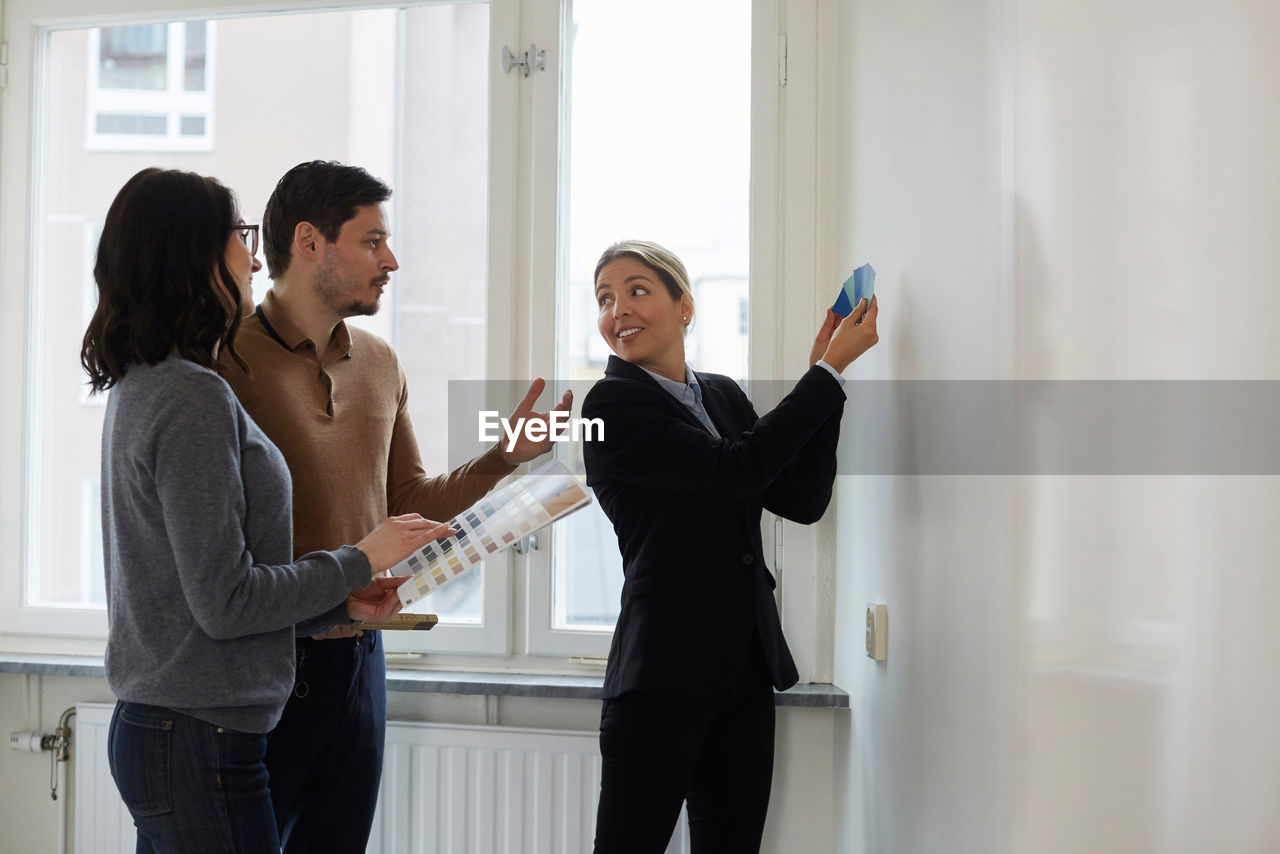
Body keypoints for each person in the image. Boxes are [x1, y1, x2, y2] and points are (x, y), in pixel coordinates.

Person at [82, 167, 451, 853]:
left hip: (187, 729)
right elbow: (225, 601)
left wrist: (342, 604)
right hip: (198, 736)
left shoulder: (155, 383)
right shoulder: (193, 395)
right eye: (239, 238)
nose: (255, 257)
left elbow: (212, 592)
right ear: (191, 252)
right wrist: (359, 559)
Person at [218, 160, 570, 853]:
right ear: (310, 241)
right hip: (265, 666)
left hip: (361, 664)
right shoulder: (224, 360)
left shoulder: (380, 361)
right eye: (373, 241)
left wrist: (503, 459)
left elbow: (408, 499)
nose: (392, 261)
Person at [583, 240, 879, 853]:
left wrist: (825, 382)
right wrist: (823, 376)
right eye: (605, 298)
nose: (619, 310)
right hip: (658, 680)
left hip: (742, 673)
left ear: (684, 307)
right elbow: (737, 470)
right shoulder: (611, 405)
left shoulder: (721, 395)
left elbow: (800, 500)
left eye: (638, 290)